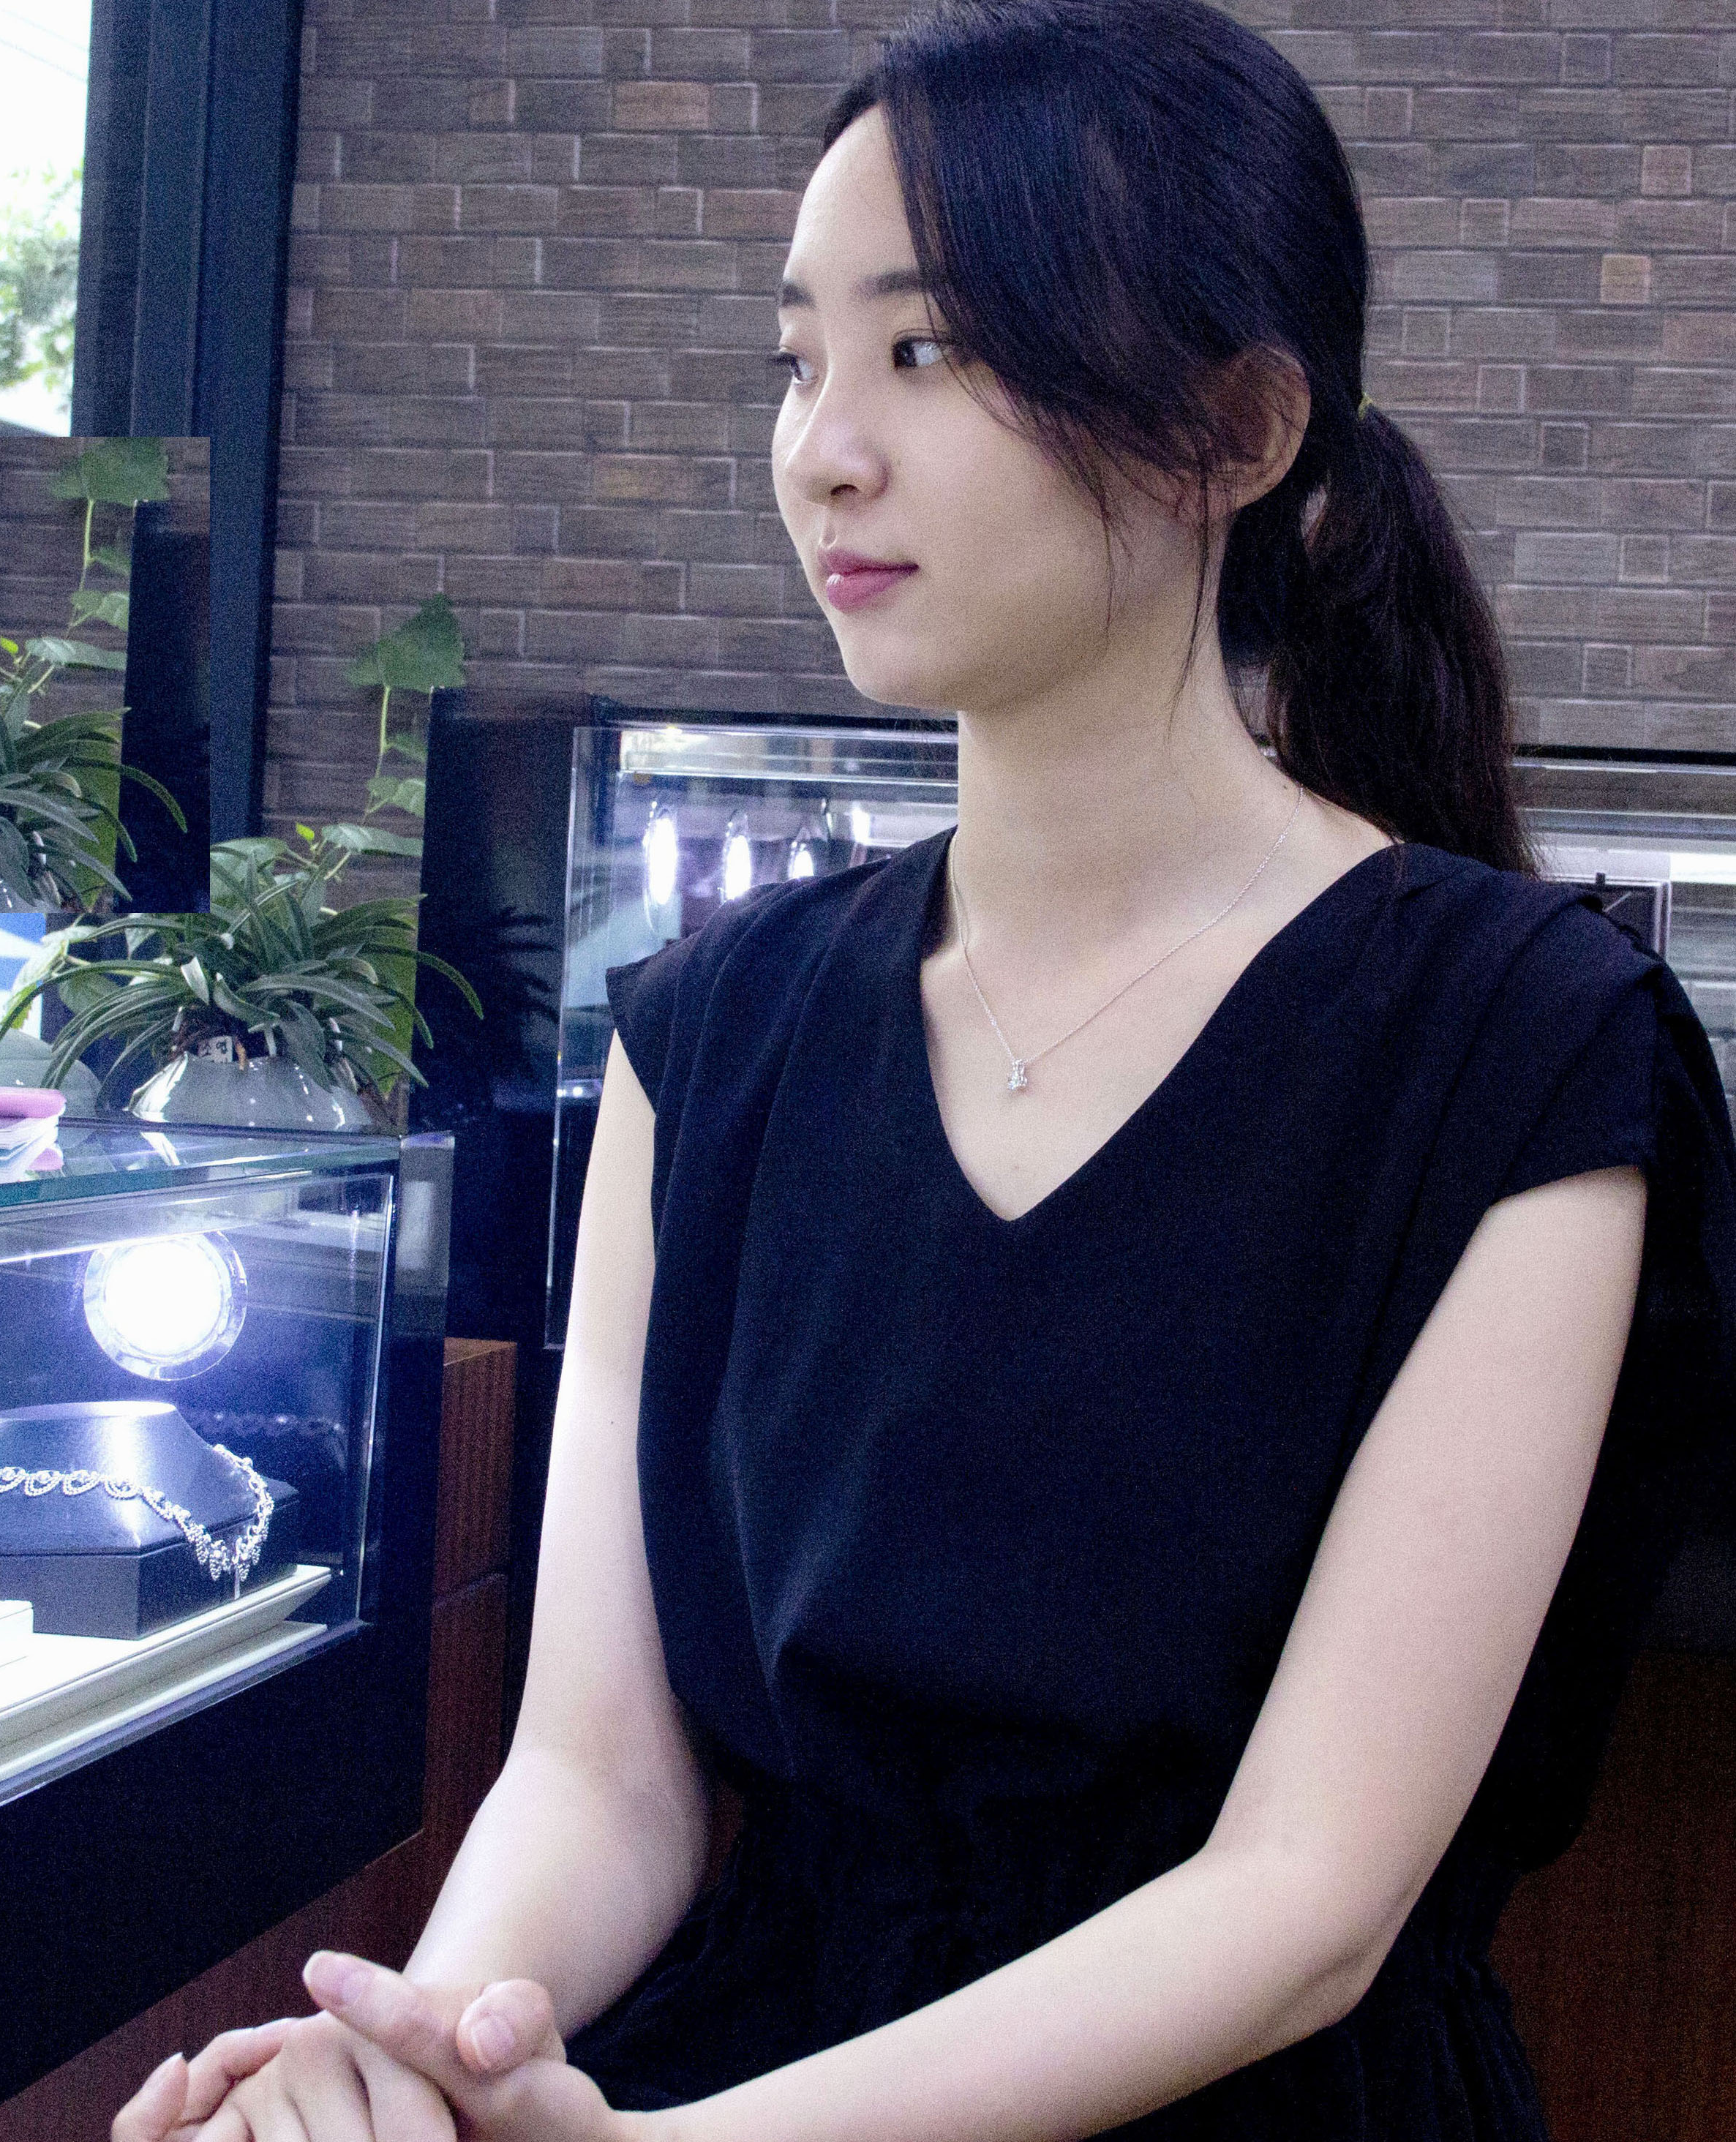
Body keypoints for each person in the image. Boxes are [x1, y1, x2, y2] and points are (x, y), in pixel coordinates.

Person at [116, 1, 1736, 2136]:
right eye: (799, 361)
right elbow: (601, 1775)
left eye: (929, 350)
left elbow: (1303, 1904)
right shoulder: (714, 1031)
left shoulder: (1524, 1047)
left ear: (1238, 429)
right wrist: (422, 2063)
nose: (825, 451)